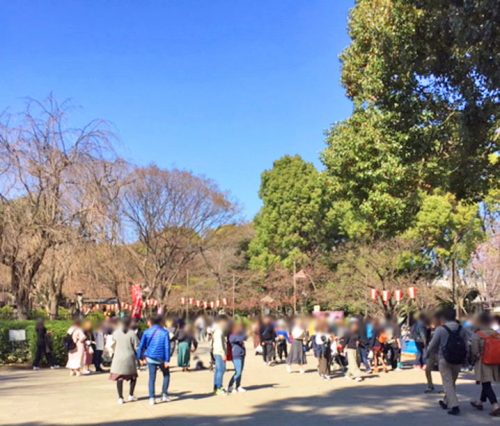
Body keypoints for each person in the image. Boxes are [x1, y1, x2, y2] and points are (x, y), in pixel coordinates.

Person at [427, 307, 468, 416]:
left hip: (444, 358)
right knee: (451, 382)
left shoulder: (441, 329)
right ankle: (446, 401)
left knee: (447, 382)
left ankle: (454, 405)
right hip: (458, 359)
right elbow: (466, 343)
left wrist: (427, 353)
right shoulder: (461, 328)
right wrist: (466, 357)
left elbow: (432, 345)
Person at [470, 312, 500, 417]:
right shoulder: (495, 333)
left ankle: (495, 405)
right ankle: (480, 402)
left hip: (483, 362)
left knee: (486, 384)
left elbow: (474, 351)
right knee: (486, 382)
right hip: (495, 361)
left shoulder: (477, 334)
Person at [137, 315, 172, 405]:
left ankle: (152, 398)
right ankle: (164, 394)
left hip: (151, 357)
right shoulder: (165, 333)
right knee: (166, 375)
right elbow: (167, 347)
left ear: (151, 322)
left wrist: (140, 357)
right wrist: (167, 360)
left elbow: (141, 346)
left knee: (152, 378)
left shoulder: (147, 332)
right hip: (162, 358)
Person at [109, 317, 139, 405]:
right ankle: (130, 395)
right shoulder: (132, 333)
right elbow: (137, 346)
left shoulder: (116, 333)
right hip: (129, 357)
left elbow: (112, 343)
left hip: (118, 357)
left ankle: (120, 397)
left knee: (119, 377)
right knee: (133, 377)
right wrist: (141, 356)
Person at [228, 321, 247, 393]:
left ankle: (238, 386)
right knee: (238, 371)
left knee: (240, 371)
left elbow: (245, 337)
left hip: (242, 353)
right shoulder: (232, 335)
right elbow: (238, 339)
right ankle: (230, 386)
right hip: (236, 355)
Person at [212, 315, 229, 395]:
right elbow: (219, 344)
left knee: (218, 370)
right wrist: (223, 354)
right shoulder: (219, 331)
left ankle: (217, 387)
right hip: (219, 352)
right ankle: (218, 387)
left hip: (217, 351)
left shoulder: (218, 329)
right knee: (221, 370)